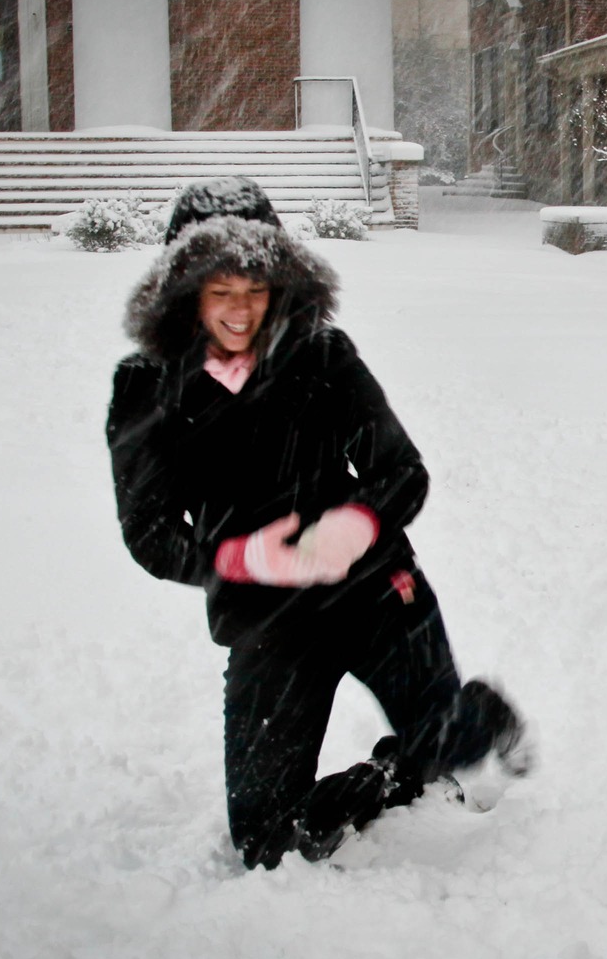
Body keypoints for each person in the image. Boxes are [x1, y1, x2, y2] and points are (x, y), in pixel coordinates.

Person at [106, 178, 530, 869]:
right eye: (219, 290)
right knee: (267, 843)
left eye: (257, 287)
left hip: (375, 594)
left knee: (451, 743)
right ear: (183, 289)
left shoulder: (323, 356)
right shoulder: (146, 386)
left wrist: (356, 525)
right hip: (266, 623)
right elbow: (149, 532)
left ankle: (459, 726)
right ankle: (399, 770)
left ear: (282, 280)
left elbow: (402, 471)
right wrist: (242, 561)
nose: (240, 309)